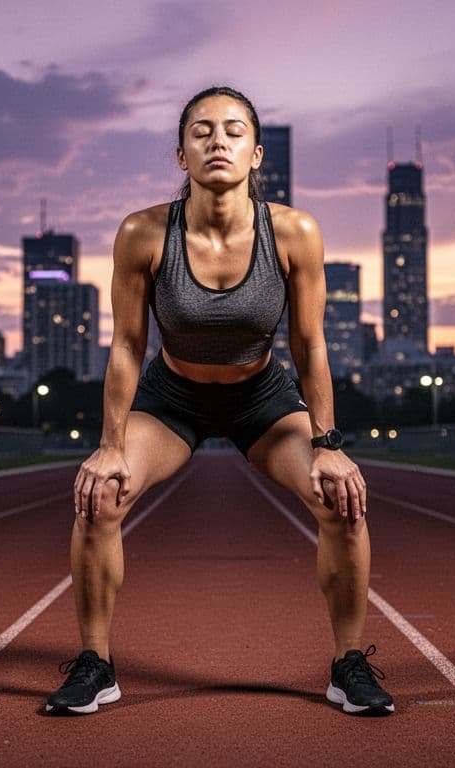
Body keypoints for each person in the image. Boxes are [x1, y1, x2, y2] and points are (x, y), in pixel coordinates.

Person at [46, 85, 393, 716]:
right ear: (181, 153)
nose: (218, 142)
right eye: (201, 131)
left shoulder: (294, 232)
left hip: (260, 397)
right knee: (100, 499)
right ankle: (96, 665)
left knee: (341, 500)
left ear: (257, 153)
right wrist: (110, 445)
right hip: (173, 397)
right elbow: (126, 345)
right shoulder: (143, 233)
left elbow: (311, 346)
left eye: (234, 131)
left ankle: (348, 665)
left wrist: (328, 445)